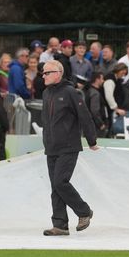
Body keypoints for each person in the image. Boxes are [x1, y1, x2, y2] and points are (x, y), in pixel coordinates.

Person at [40, 60, 99, 236]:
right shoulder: (46, 93)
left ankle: (84, 211)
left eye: (47, 73)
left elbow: (84, 116)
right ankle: (60, 225)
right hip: (51, 147)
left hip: (68, 146)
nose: (43, 76)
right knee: (55, 187)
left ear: (58, 73)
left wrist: (92, 140)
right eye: (43, 73)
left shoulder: (71, 92)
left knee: (60, 182)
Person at [103, 64, 129, 135]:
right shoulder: (110, 80)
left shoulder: (116, 79)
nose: (123, 74)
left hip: (111, 109)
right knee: (107, 128)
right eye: (122, 72)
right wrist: (116, 108)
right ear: (117, 70)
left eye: (125, 73)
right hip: (107, 109)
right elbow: (109, 96)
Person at [85, 72, 109, 137]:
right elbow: (94, 111)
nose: (103, 81)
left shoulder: (90, 91)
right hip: (96, 127)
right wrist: (100, 124)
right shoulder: (95, 93)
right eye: (102, 79)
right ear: (97, 80)